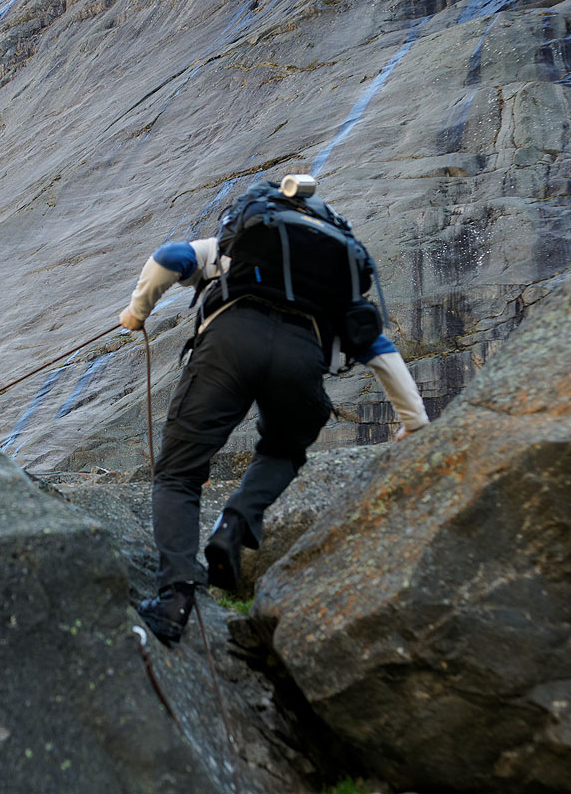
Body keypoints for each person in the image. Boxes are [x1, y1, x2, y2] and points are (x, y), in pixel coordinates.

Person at [119, 193, 430, 646]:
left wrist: (136, 312)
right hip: (302, 359)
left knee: (179, 474)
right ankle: (236, 522)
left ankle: (174, 602)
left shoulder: (237, 245)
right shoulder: (332, 284)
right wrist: (414, 420)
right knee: (283, 450)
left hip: (230, 342)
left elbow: (170, 258)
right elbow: (378, 349)